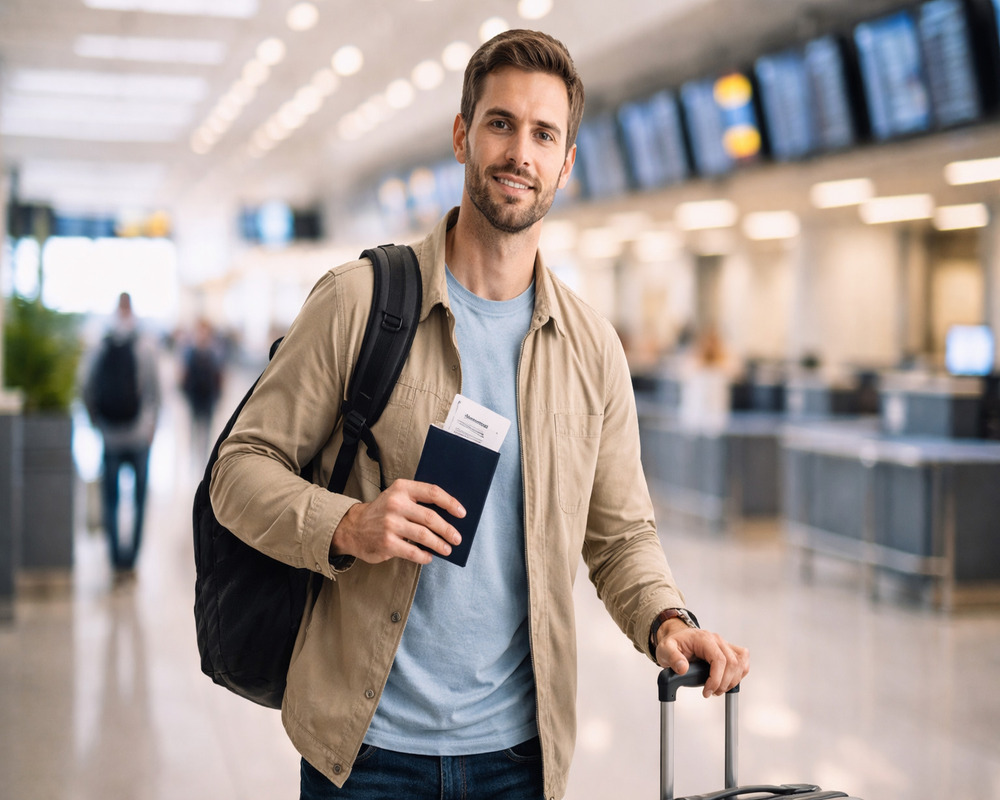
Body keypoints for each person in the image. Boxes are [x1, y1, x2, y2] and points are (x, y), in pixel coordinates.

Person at [210, 29, 749, 800]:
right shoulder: (357, 303)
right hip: (366, 756)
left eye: (543, 134)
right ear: (463, 136)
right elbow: (239, 470)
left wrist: (668, 619)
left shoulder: (591, 349)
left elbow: (621, 534)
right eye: (500, 123)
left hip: (519, 760)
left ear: (566, 161)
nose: (518, 152)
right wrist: (348, 524)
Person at [83, 292, 161, 580]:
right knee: (139, 499)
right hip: (140, 435)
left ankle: (116, 561)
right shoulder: (145, 345)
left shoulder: (101, 345)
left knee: (111, 500)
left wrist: (97, 423)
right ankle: (131, 561)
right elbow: (156, 391)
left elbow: (86, 386)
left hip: (110, 436)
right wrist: (153, 425)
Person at [180, 317, 224, 464]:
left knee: (207, 431)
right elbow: (183, 375)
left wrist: (218, 396)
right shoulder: (190, 351)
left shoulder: (215, 352)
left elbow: (220, 376)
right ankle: (193, 457)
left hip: (209, 399)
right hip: (194, 398)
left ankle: (204, 459)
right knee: (193, 429)